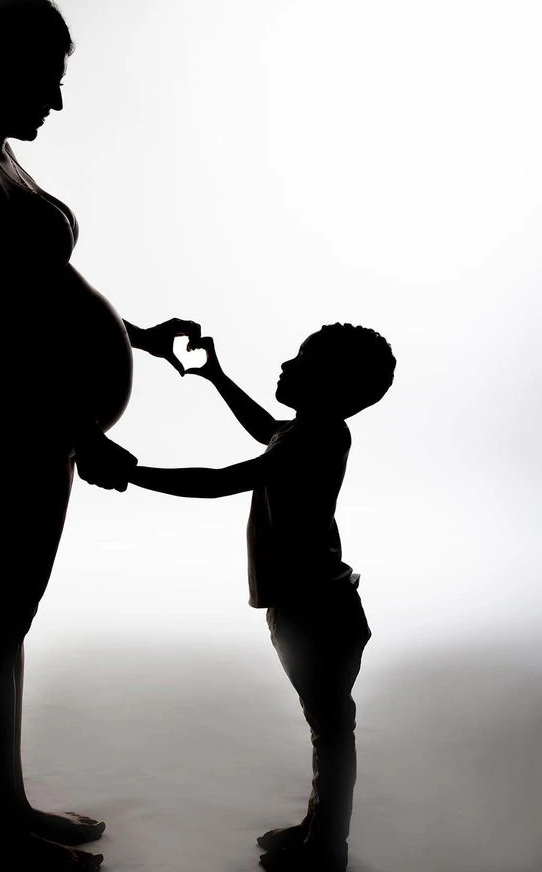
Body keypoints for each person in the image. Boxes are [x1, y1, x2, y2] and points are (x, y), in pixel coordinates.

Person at [0, 0, 200, 871]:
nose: (56, 100)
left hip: (25, 424)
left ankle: (10, 810)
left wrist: (133, 336)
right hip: (0, 425)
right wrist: (79, 431)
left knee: (4, 627)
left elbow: (38, 299)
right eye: (45, 78)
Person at [121, 324, 396, 872]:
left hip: (314, 612)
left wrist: (129, 472)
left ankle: (327, 848)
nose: (286, 365)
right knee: (328, 728)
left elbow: (220, 481)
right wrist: (216, 376)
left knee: (331, 730)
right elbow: (265, 430)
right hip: (317, 605)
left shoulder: (314, 439)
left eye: (303, 361)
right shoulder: (313, 430)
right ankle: (319, 829)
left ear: (332, 386)